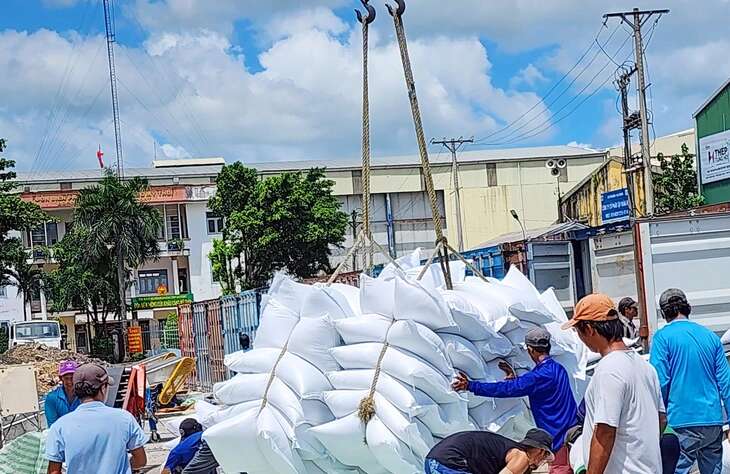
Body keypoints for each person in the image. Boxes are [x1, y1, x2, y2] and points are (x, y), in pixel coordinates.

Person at [562, 293, 665, 474]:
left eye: (578, 331)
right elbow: (661, 419)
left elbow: (605, 431)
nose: (580, 338)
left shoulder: (608, 369)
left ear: (589, 328)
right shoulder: (645, 367)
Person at [452, 328, 577, 474]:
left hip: (558, 437)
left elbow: (508, 389)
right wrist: (514, 379)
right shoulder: (558, 369)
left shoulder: (538, 376)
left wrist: (471, 385)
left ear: (530, 350)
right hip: (571, 431)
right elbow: (532, 386)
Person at [649, 288, 730, 474]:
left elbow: (660, 382)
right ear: (688, 308)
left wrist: (655, 418)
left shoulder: (662, 338)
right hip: (712, 421)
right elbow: (726, 383)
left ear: (663, 313)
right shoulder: (711, 337)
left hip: (680, 422)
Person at [45, 363, 148, 474]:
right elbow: (140, 460)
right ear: (103, 388)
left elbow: (54, 471)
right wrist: (126, 464)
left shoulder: (59, 426)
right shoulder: (124, 418)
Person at [425, 428, 554, 474]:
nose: (543, 460)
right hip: (447, 462)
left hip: (435, 460)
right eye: (545, 455)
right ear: (539, 451)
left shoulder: (507, 449)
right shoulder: (521, 457)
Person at [44, 361, 80, 426]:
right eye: (66, 378)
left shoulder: (84, 396)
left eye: (72, 378)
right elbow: (52, 424)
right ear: (61, 378)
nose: (69, 382)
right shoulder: (52, 398)